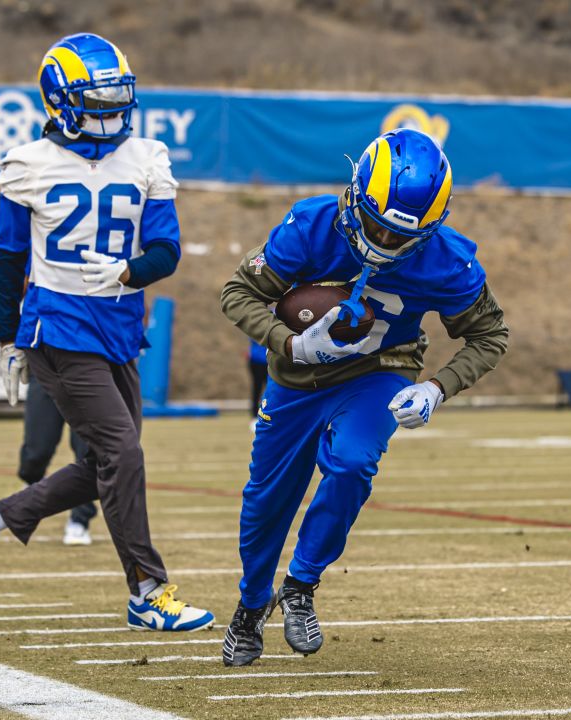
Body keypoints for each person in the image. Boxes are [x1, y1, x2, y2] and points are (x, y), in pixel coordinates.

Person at [0, 32, 214, 633]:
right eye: (99, 100)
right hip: (58, 328)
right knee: (122, 453)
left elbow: (166, 252)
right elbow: (9, 257)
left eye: (120, 99)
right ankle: (149, 590)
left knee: (105, 465)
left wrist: (128, 270)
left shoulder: (146, 157)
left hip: (119, 325)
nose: (113, 112)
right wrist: (9, 338)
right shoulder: (27, 164)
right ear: (61, 102)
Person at [218, 129, 510, 665]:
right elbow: (238, 292)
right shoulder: (310, 225)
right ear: (355, 195)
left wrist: (436, 388)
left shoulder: (447, 260)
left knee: (353, 462)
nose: (384, 241)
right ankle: (251, 604)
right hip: (296, 379)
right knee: (266, 502)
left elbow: (490, 334)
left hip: (380, 372)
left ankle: (302, 586)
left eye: (401, 236)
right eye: (375, 224)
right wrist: (290, 342)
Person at [18, 373, 98, 546]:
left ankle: (80, 519)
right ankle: (30, 487)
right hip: (46, 368)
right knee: (36, 451)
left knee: (87, 453)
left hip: (88, 372)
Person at [246, 339, 268, 432]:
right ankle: (254, 417)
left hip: (270, 361)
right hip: (256, 361)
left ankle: (268, 416)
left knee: (270, 390)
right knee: (257, 389)